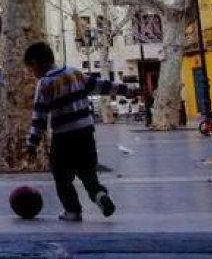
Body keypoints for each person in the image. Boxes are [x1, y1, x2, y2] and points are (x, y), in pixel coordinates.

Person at [23, 41, 133, 222]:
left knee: (62, 177)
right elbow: (101, 85)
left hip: (63, 138)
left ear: (35, 64)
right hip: (85, 134)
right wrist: (127, 90)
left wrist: (31, 144)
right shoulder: (74, 73)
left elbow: (39, 118)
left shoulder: (44, 84)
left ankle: (72, 211)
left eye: (30, 69)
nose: (31, 73)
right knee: (88, 174)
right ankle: (99, 196)